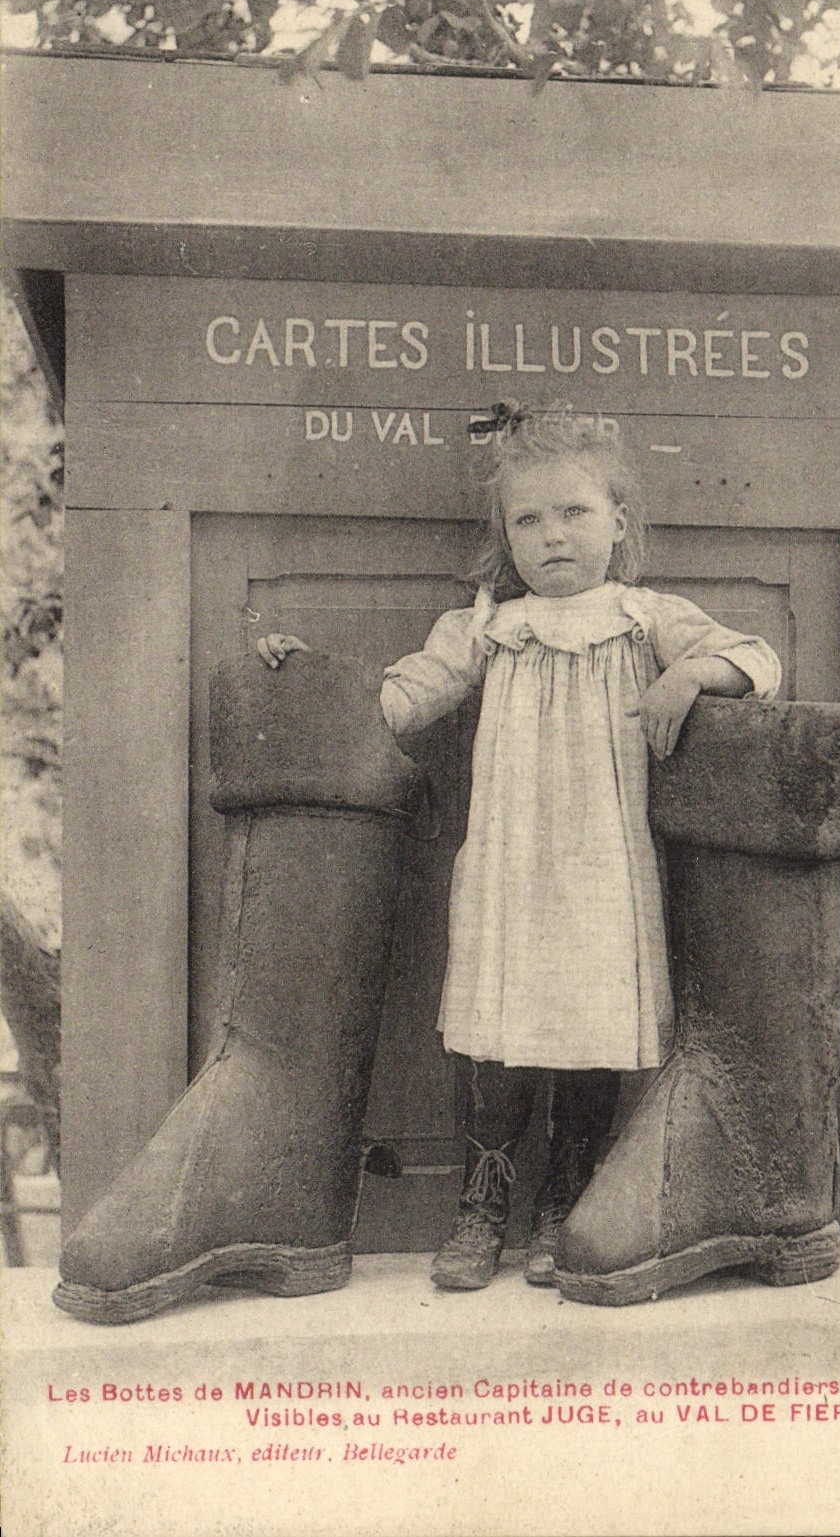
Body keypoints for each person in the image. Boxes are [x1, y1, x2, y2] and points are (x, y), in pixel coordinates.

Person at [259, 400, 781, 1291]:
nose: (552, 536)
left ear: (619, 519)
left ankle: (566, 1197)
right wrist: (310, 675)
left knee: (592, 1028)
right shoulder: (489, 624)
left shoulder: (643, 616)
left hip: (603, 870)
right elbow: (401, 696)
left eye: (574, 512)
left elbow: (758, 659)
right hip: (509, 866)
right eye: (528, 518)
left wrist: (690, 674)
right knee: (496, 1034)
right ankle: (483, 1201)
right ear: (506, 534)